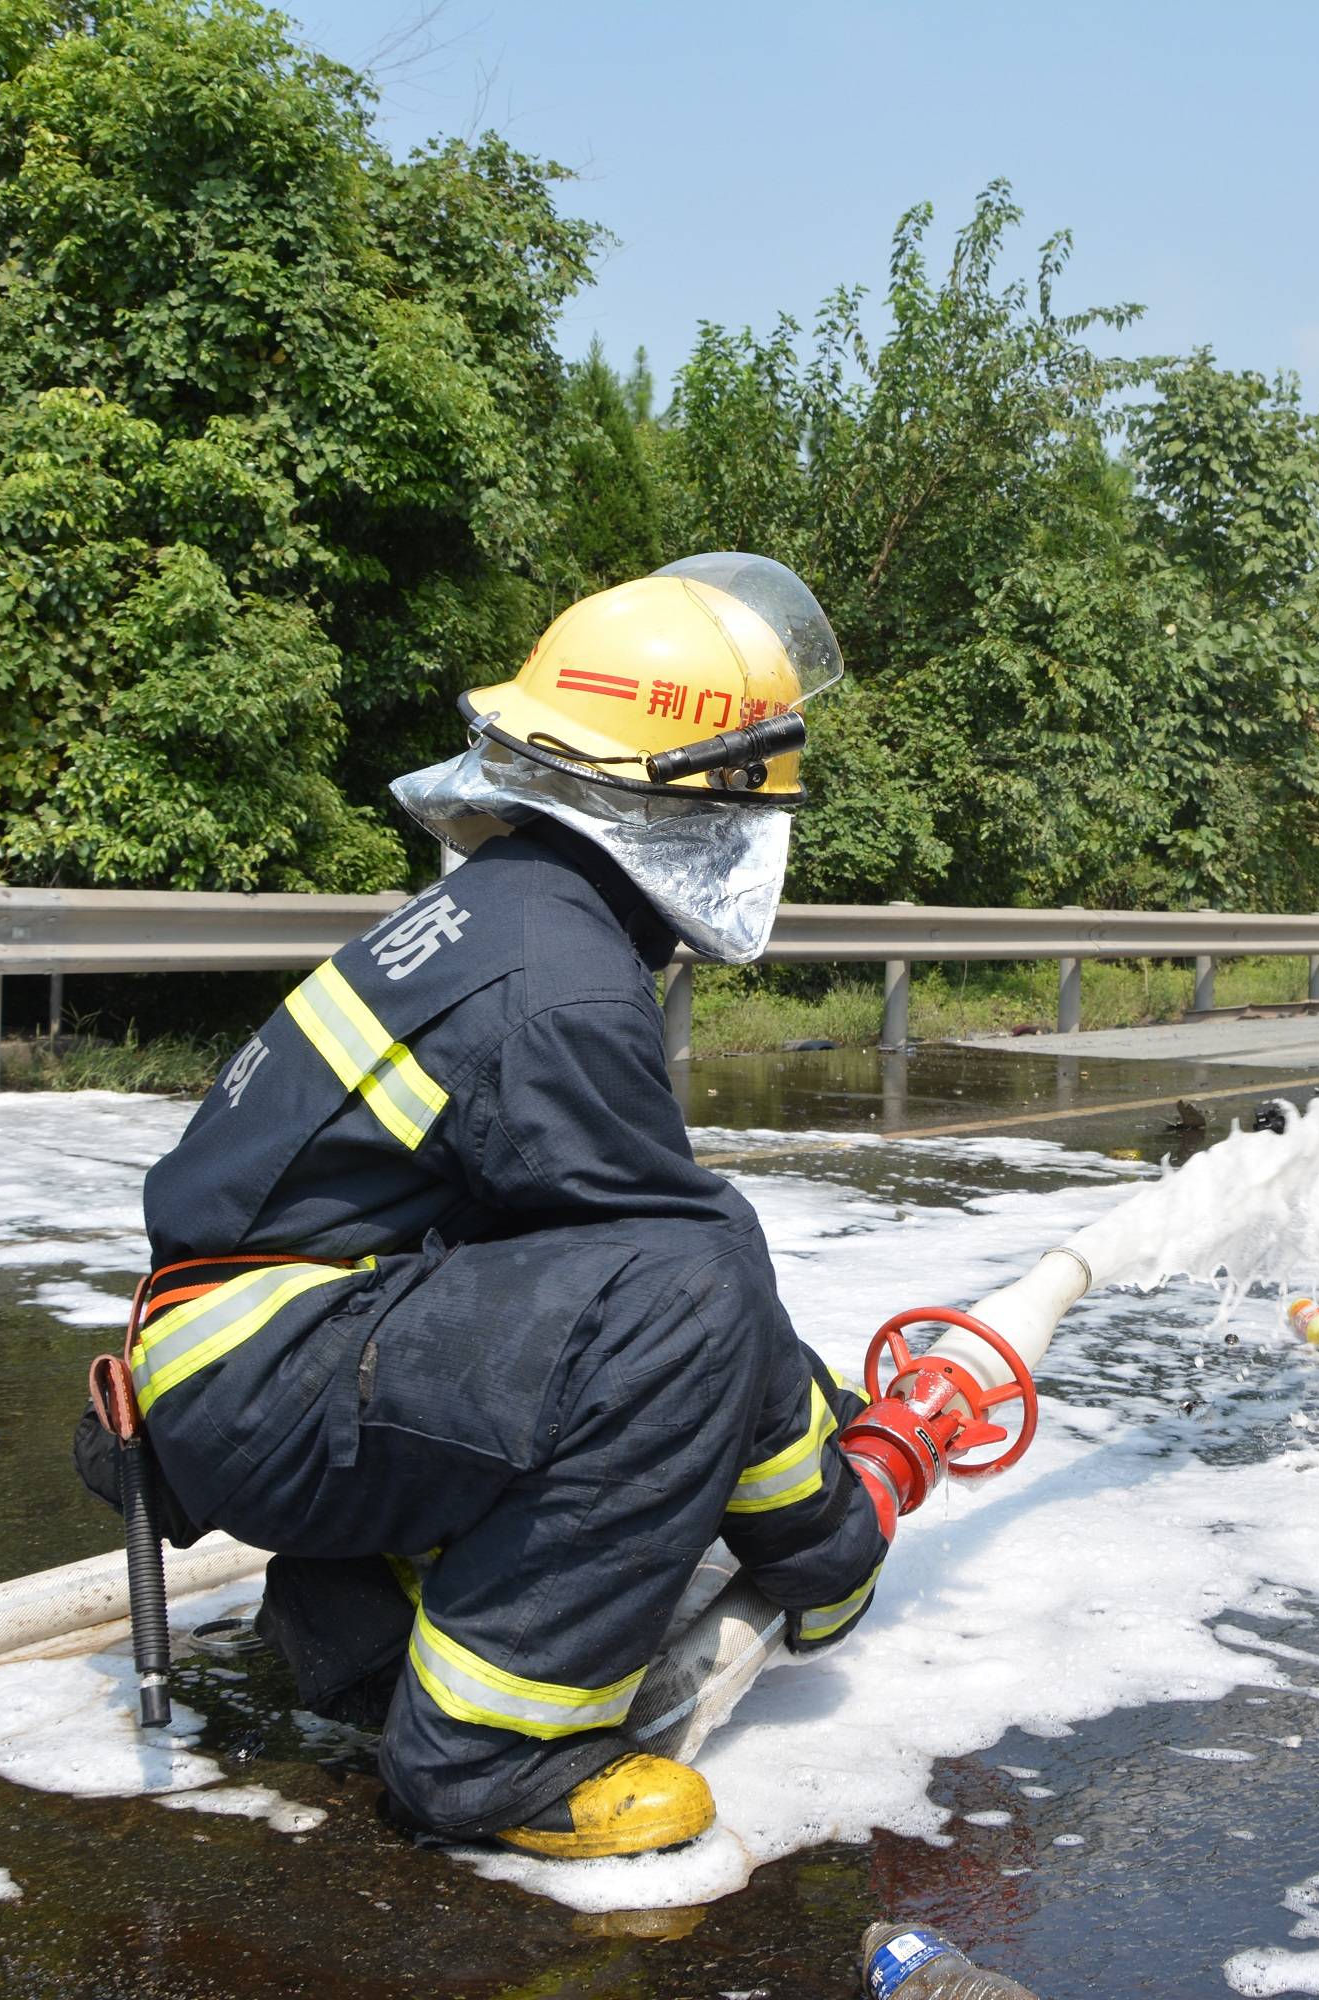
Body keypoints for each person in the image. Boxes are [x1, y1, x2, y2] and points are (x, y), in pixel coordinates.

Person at [87, 554, 890, 1858]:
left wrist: (807, 1410)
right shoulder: (563, 982)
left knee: (666, 1286)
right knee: (691, 1289)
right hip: (269, 1375)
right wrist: (831, 1531)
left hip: (237, 1363)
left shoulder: (507, 917)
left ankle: (361, 1635)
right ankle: (492, 1754)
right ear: (692, 808)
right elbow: (688, 1284)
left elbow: (559, 1272)